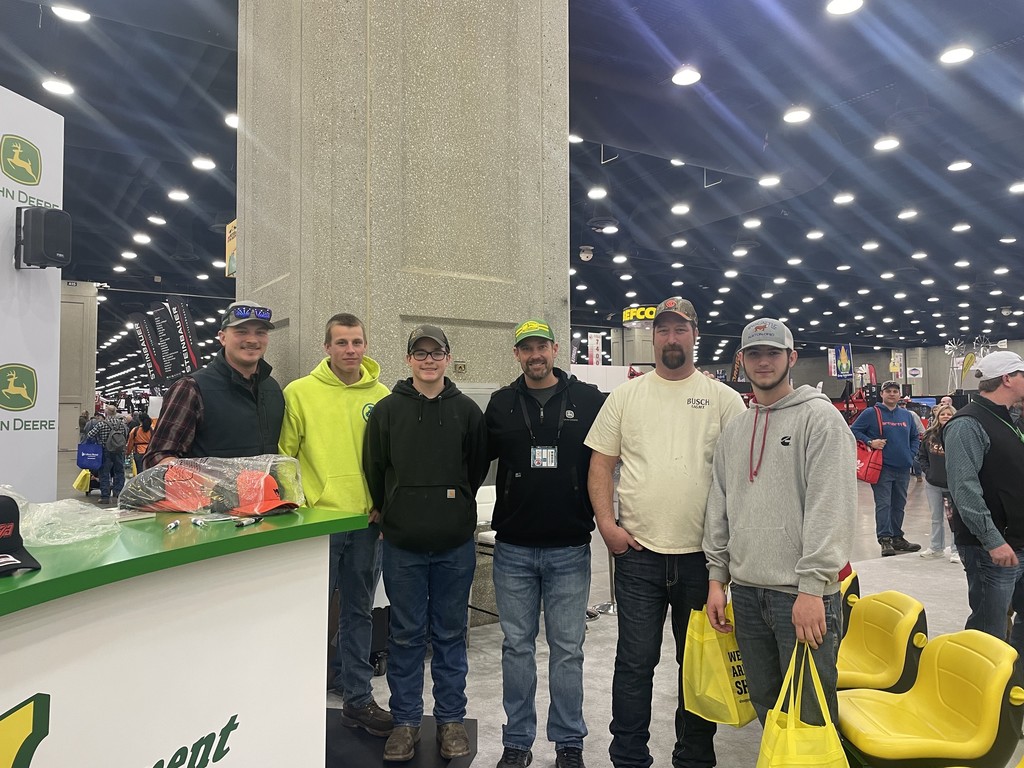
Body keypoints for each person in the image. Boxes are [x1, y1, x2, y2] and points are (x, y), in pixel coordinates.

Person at [584, 297, 746, 768]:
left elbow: (741, 478)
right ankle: (629, 757)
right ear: (652, 337)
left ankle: (694, 757)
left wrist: (726, 559)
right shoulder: (627, 396)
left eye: (680, 330)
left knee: (696, 668)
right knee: (634, 664)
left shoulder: (723, 399)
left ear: (695, 335)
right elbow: (601, 463)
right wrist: (607, 526)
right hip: (638, 557)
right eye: (663, 330)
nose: (671, 338)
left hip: (702, 560)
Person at [704, 318, 856, 725]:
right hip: (749, 593)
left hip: (802, 596)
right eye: (754, 353)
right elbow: (720, 505)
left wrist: (811, 589)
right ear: (741, 361)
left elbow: (831, 508)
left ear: (792, 357)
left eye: (773, 352)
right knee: (768, 707)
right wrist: (717, 579)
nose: (764, 361)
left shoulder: (820, 420)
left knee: (810, 713)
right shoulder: (735, 429)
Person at [363, 324, 490, 763]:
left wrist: (452, 506)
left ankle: (451, 719)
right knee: (405, 636)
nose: (429, 360)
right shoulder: (387, 411)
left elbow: (475, 469)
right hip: (403, 545)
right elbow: (375, 465)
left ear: (448, 358)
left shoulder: (468, 412)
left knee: (452, 635)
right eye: (421, 353)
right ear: (408, 359)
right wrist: (389, 507)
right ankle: (406, 722)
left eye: (437, 353)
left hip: (455, 544)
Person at [485, 319, 606, 768]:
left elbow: (615, 453)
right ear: (516, 354)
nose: (535, 354)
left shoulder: (588, 399)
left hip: (570, 549)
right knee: (516, 648)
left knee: (568, 650)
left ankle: (569, 743)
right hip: (513, 550)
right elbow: (472, 461)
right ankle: (517, 742)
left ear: (556, 349)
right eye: (525, 348)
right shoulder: (500, 404)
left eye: (541, 346)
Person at [278, 313, 392, 738]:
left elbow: (389, 458)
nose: (350, 349)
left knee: (360, 611)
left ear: (365, 345)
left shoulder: (381, 395)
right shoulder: (300, 393)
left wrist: (381, 505)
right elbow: (284, 456)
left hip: (365, 522)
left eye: (357, 341)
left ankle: (358, 696)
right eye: (341, 342)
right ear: (326, 347)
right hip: (317, 524)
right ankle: (298, 694)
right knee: (310, 611)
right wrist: (302, 506)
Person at [944, 351, 1024, 655]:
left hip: (1017, 540)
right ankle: (976, 693)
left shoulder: (1010, 420)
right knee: (988, 632)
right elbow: (964, 489)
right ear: (1006, 378)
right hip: (992, 548)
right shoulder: (968, 424)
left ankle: (1013, 682)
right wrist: (992, 540)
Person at [145, 301, 283, 467]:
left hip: (267, 493)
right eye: (241, 332)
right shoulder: (191, 388)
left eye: (260, 332)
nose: (252, 340)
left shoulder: (273, 388)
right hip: (206, 493)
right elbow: (158, 456)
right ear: (222, 338)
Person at [850, 381, 921, 557]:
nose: (892, 394)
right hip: (882, 468)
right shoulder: (871, 413)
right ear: (881, 394)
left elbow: (915, 437)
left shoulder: (906, 415)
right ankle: (885, 539)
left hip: (903, 467)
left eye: (895, 391)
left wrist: (910, 454)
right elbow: (853, 430)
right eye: (888, 391)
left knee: (899, 505)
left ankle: (897, 537)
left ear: (899, 395)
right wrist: (869, 442)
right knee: (884, 504)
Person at [917, 404, 959, 563]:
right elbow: (922, 456)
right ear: (937, 417)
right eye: (943, 414)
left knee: (954, 519)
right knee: (936, 518)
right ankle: (936, 548)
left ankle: (956, 550)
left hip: (952, 485)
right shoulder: (929, 436)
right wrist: (928, 472)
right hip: (933, 484)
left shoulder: (958, 434)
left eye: (949, 414)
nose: (946, 416)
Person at [85, 403, 130, 503]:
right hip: (119, 451)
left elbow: (90, 435)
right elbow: (126, 436)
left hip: (105, 451)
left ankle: (105, 497)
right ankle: (118, 493)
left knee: (104, 474)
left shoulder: (101, 424)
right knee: (119, 472)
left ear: (106, 413)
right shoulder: (122, 424)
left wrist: (99, 440)